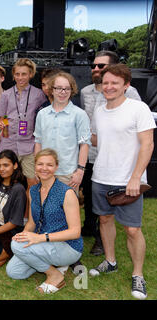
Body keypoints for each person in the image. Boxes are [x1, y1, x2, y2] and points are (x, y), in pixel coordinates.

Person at [89, 64, 155, 300]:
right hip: (100, 176)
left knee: (132, 229)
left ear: (126, 85)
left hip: (129, 180)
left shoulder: (139, 108)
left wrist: (136, 176)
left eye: (114, 83)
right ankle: (110, 261)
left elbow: (148, 144)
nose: (108, 87)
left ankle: (138, 275)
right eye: (105, 83)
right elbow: (97, 139)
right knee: (105, 220)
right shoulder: (99, 110)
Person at [80, 50, 141, 256]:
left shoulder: (130, 95)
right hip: (92, 155)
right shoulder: (86, 91)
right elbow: (87, 127)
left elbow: (140, 132)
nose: (95, 69)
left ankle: (100, 241)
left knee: (116, 211)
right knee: (90, 197)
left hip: (118, 162)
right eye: (94, 65)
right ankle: (89, 228)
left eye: (101, 66)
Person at [6, 149, 83, 294]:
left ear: (56, 167)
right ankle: (53, 264)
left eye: (49, 165)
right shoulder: (33, 191)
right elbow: (32, 223)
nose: (44, 168)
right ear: (35, 166)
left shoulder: (67, 193)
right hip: (44, 242)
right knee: (14, 272)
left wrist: (39, 238)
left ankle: (55, 275)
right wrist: (23, 235)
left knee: (16, 246)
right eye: (40, 164)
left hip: (68, 246)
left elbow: (75, 232)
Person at [34, 71, 90, 192]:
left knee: (68, 210)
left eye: (67, 89)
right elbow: (38, 142)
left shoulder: (79, 114)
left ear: (72, 90)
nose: (63, 92)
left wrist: (80, 171)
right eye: (59, 88)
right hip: (45, 172)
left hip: (68, 174)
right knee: (45, 208)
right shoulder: (42, 114)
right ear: (52, 90)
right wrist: (37, 167)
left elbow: (84, 144)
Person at [0, 58, 47, 187]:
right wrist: (2, 124)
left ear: (30, 74)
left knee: (32, 182)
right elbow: (2, 117)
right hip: (8, 144)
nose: (20, 77)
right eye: (17, 74)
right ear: (13, 75)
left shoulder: (38, 94)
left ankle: (29, 208)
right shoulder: (6, 95)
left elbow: (42, 117)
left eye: (24, 74)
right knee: (8, 182)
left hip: (29, 146)